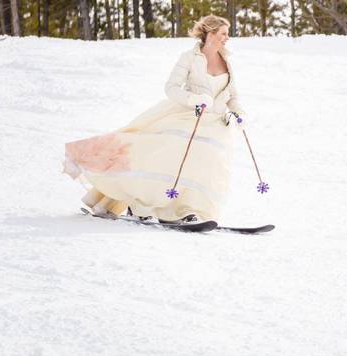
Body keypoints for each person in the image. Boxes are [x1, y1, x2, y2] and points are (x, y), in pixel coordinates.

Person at [64, 15, 246, 223]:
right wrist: (195, 100)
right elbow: (171, 88)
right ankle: (151, 206)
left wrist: (239, 113)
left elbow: (233, 95)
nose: (227, 38)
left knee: (205, 168)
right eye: (223, 33)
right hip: (187, 115)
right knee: (165, 158)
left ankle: (191, 210)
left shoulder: (226, 61)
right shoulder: (189, 57)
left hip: (215, 124)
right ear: (210, 34)